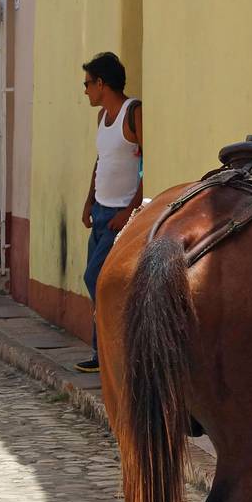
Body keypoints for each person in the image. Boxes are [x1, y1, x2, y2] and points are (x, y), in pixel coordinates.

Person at [77, 51, 142, 374]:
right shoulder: (101, 118)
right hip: (101, 211)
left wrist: (130, 211)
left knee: (98, 279)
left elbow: (146, 164)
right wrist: (89, 200)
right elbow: (101, 161)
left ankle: (118, 350)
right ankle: (100, 352)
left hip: (121, 215)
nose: (86, 90)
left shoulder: (134, 113)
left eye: (88, 84)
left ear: (102, 83)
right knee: (97, 281)